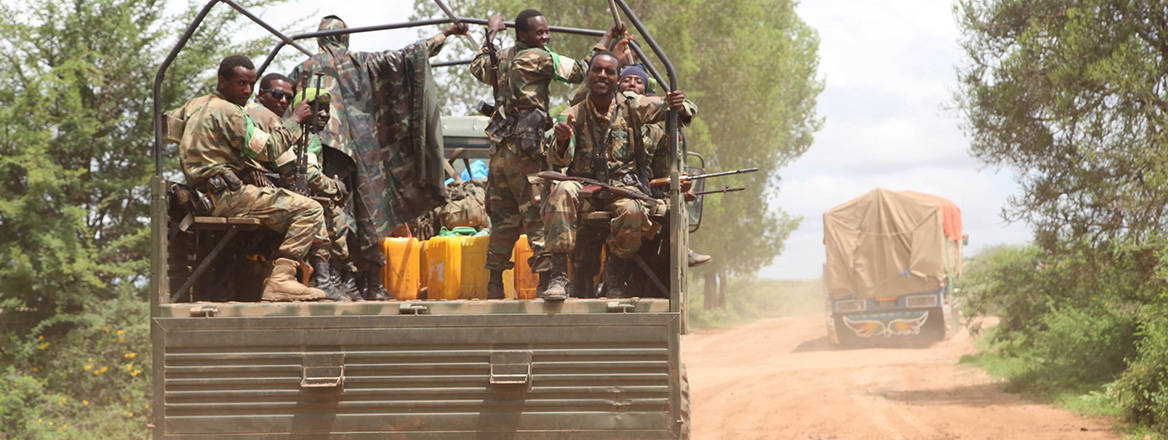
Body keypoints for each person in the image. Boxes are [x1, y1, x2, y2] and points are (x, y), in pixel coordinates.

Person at [291, 16, 466, 300]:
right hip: (365, 151)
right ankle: (369, 283)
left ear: (319, 38)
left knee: (334, 214)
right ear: (345, 37)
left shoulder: (303, 69)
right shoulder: (362, 62)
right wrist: (445, 34)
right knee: (372, 214)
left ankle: (342, 280)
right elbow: (407, 56)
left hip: (323, 154)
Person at [470, 9, 625, 301]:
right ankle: (545, 283)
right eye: (540, 33)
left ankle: (494, 284)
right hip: (526, 153)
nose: (546, 36)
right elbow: (581, 70)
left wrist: (490, 35)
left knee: (502, 221)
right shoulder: (537, 57)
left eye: (546, 31)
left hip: (501, 152)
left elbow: (478, 67)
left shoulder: (500, 57)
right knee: (539, 217)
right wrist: (607, 38)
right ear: (524, 35)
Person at [168, 55, 325, 302]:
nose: (247, 90)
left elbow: (167, 127)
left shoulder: (194, 105)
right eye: (241, 83)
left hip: (202, 193)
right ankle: (281, 281)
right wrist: (295, 120)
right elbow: (270, 149)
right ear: (222, 81)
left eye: (251, 84)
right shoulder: (232, 113)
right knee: (311, 209)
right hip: (227, 196)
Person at [543, 52, 694, 298]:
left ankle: (615, 274)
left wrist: (678, 104)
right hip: (584, 188)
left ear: (616, 80)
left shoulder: (632, 107)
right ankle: (558, 276)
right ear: (588, 75)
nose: (602, 75)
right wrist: (561, 141)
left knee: (634, 210)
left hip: (622, 188)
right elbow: (560, 161)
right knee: (561, 191)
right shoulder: (572, 114)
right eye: (597, 70)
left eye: (609, 72)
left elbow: (682, 108)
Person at [617, 65, 711, 268]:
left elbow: (662, 170)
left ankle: (672, 257)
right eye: (627, 79)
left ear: (645, 91)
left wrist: (677, 184)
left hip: (641, 190)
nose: (632, 84)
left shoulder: (654, 131)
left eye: (638, 81)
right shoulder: (606, 112)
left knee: (670, 211)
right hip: (611, 190)